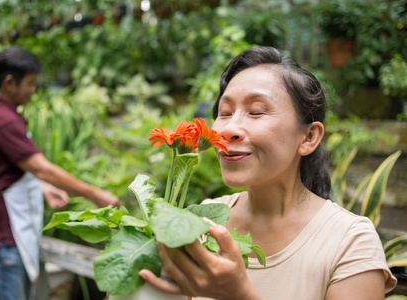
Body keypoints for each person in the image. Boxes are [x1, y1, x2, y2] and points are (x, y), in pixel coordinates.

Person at [138, 47, 397, 299]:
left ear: (308, 137)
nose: (229, 129)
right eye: (224, 113)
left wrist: (239, 295)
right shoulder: (203, 221)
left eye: (256, 111)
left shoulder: (349, 241)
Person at [0, 46, 120, 300]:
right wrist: (95, 194)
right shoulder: (1, 120)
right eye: (29, 83)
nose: (33, 90)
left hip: (4, 232)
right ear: (9, 82)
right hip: (2, 235)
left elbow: (8, 170)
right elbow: (41, 167)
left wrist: (42, 187)